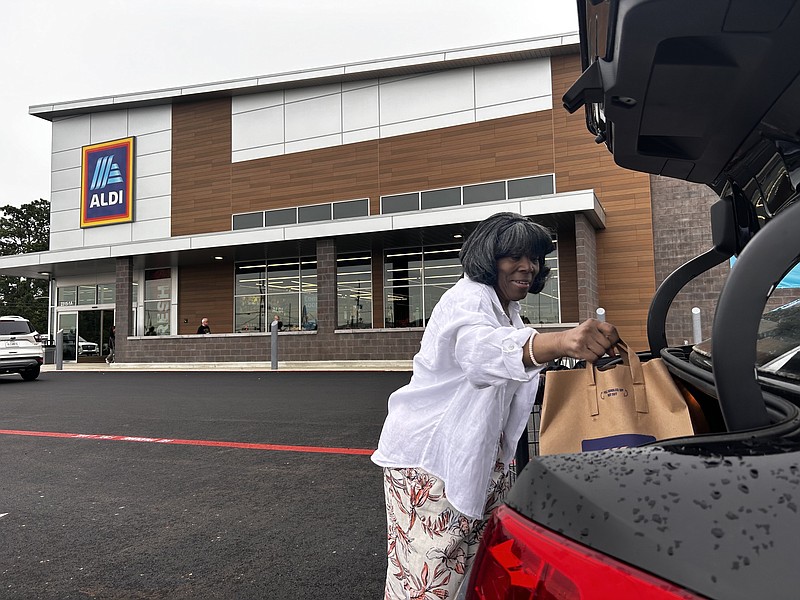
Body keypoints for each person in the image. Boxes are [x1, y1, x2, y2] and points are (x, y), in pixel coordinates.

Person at [372, 212, 620, 599]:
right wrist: (559, 342)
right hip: (431, 460)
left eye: (534, 258)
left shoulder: (506, 309)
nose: (527, 267)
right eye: (513, 257)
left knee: (476, 565)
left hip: (479, 457)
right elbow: (480, 354)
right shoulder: (467, 299)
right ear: (489, 258)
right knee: (428, 575)